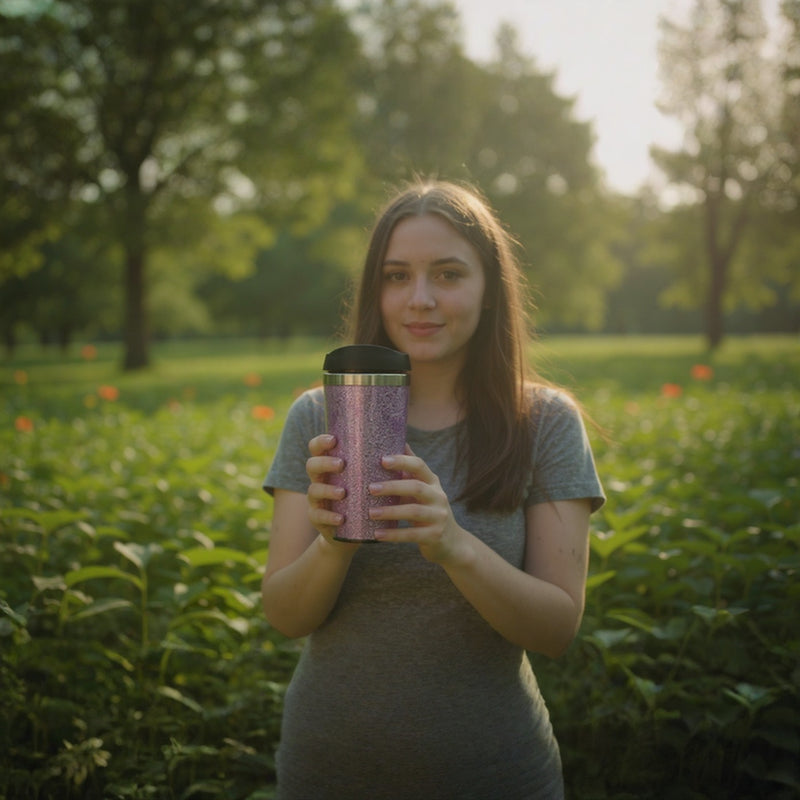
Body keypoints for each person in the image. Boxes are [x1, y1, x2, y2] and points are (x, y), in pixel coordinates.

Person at [261, 179, 605, 800]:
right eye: (397, 276)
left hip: (497, 778)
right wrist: (336, 543)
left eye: (448, 274)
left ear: (490, 290)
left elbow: (556, 629)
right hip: (328, 774)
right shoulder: (319, 417)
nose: (419, 299)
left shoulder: (546, 423)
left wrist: (455, 545)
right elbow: (285, 615)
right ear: (376, 289)